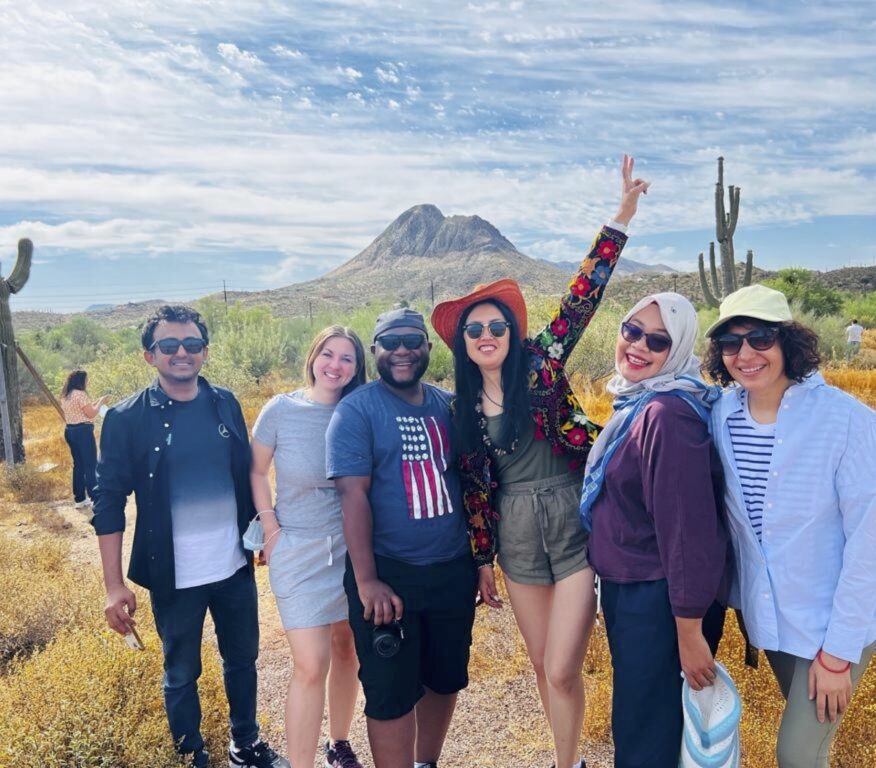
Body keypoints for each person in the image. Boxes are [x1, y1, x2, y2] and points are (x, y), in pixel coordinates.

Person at [428, 154, 649, 768]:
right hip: (516, 533)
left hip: (573, 519)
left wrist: (619, 219)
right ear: (464, 345)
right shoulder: (460, 409)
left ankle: (565, 761)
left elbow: (583, 298)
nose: (486, 335)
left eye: (495, 325)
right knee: (539, 667)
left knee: (561, 665)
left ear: (512, 329)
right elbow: (474, 490)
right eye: (474, 331)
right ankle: (569, 759)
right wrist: (482, 561)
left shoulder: (542, 364)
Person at [704, 285, 876, 768]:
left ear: (789, 341)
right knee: (814, 751)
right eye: (731, 343)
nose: (745, 354)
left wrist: (838, 655)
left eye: (760, 338)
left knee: (796, 755)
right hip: (770, 618)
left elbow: (867, 545)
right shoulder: (723, 414)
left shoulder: (849, 421)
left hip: (833, 624)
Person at [91, 304, 288, 768]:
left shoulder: (226, 403)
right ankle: (190, 755)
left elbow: (245, 474)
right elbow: (108, 501)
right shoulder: (126, 419)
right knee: (181, 672)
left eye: (192, 344)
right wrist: (113, 584)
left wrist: (259, 532)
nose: (182, 353)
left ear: (205, 351)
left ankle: (245, 743)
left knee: (242, 661)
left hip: (233, 566)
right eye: (169, 345)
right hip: (171, 573)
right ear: (149, 355)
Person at [580, 292, 729, 768]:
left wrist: (688, 632)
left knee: (646, 733)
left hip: (662, 602)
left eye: (658, 340)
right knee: (651, 723)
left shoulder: (666, 416)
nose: (639, 345)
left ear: (679, 349)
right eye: (632, 331)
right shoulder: (641, 403)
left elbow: (688, 532)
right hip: (642, 594)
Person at [327, 308, 474, 768]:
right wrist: (368, 581)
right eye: (391, 342)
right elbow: (353, 495)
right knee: (390, 692)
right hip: (389, 572)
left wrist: (481, 561)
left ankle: (426, 762)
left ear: (429, 348)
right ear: (375, 352)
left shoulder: (449, 406)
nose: (403, 350)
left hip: (452, 569)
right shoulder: (358, 410)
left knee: (443, 678)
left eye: (413, 340)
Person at [250, 326, 368, 768]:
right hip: (295, 548)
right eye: (328, 354)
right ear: (314, 356)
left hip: (350, 549)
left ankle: (338, 743)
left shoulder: (359, 411)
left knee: (346, 648)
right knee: (311, 663)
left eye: (347, 359)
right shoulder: (280, 409)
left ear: (357, 369)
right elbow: (257, 472)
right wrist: (271, 529)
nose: (335, 365)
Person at [60, 369, 108, 509]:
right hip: (83, 431)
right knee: (90, 464)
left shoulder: (66, 395)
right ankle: (95, 497)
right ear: (81, 381)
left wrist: (96, 401)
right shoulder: (80, 394)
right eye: (86, 380)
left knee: (78, 465)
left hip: (70, 431)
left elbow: (82, 409)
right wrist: (101, 402)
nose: (87, 382)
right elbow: (91, 413)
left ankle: (79, 498)